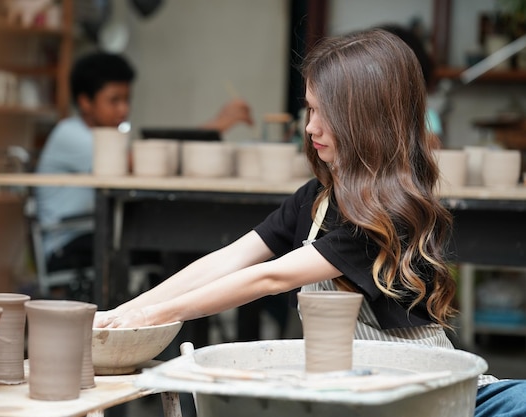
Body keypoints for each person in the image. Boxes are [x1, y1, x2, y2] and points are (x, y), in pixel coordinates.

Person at [94, 29, 526, 417]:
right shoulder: (315, 199)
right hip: (351, 392)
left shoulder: (386, 216)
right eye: (309, 109)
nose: (311, 127)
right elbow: (230, 259)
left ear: (365, 121)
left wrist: (160, 315)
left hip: (428, 395)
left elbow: (270, 277)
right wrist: (128, 312)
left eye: (325, 114)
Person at [35, 52, 253, 290]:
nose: (123, 109)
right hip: (67, 241)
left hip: (97, 231)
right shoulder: (70, 134)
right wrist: (217, 125)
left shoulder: (108, 137)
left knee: (174, 242)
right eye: (114, 100)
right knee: (169, 248)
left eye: (127, 100)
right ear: (85, 102)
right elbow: (136, 162)